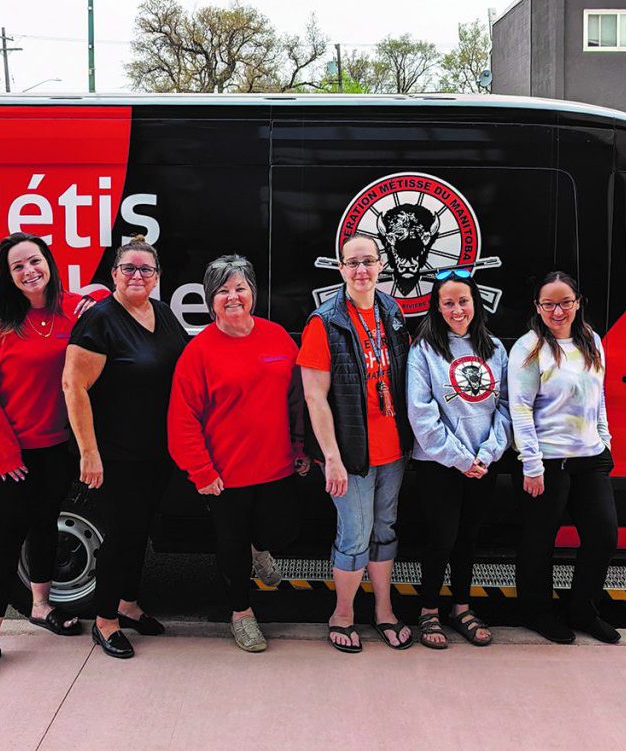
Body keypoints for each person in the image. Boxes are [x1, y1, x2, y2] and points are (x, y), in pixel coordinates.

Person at [0, 233, 103, 687]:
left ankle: (42, 605)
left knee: (46, 523)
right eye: (18, 267)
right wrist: (5, 453)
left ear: (48, 262)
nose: (30, 270)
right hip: (8, 452)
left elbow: (105, 296)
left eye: (35, 260)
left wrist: (90, 303)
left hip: (56, 446)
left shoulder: (71, 311)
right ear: (7, 277)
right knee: (5, 538)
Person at [168, 255, 309, 652]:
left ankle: (259, 547)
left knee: (282, 530)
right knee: (231, 548)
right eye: (223, 291)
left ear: (252, 294)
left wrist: (301, 446)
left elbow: (296, 398)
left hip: (278, 464)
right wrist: (201, 470)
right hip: (225, 474)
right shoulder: (198, 352)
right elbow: (182, 419)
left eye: (240, 288)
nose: (233, 297)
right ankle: (241, 614)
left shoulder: (277, 336)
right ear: (211, 300)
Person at [63, 235, 188, 659]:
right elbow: (73, 386)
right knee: (120, 536)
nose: (138, 276)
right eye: (129, 269)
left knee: (141, 531)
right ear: (114, 274)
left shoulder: (162, 313)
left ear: (156, 277)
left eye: (146, 270)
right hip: (117, 453)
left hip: (157, 450)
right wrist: (88, 451)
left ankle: (128, 603)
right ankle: (105, 620)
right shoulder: (100, 320)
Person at [298, 233, 413, 653]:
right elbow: (315, 396)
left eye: (368, 261)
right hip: (351, 455)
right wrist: (331, 458)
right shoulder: (324, 321)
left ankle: (384, 610)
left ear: (381, 265)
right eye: (352, 263)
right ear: (340, 268)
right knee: (355, 534)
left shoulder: (392, 311)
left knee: (385, 529)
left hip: (393, 451)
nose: (361, 270)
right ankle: (342, 613)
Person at [508, 271, 619, 645]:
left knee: (603, 535)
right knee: (540, 541)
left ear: (577, 302)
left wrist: (604, 439)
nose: (558, 311)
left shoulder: (592, 341)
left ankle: (582, 610)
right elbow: (520, 409)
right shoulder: (528, 348)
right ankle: (537, 611)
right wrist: (532, 464)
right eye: (549, 304)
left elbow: (598, 395)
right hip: (548, 462)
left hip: (590, 457)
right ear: (537, 308)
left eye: (565, 302)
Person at [407, 270, 511, 649]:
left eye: (463, 301)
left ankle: (461, 607)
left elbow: (505, 408)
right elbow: (421, 414)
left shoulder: (494, 349)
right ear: (437, 306)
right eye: (448, 302)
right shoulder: (424, 350)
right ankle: (429, 610)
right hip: (440, 464)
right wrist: (459, 458)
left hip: (483, 462)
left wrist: (486, 454)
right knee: (441, 537)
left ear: (475, 303)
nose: (457, 309)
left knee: (468, 538)